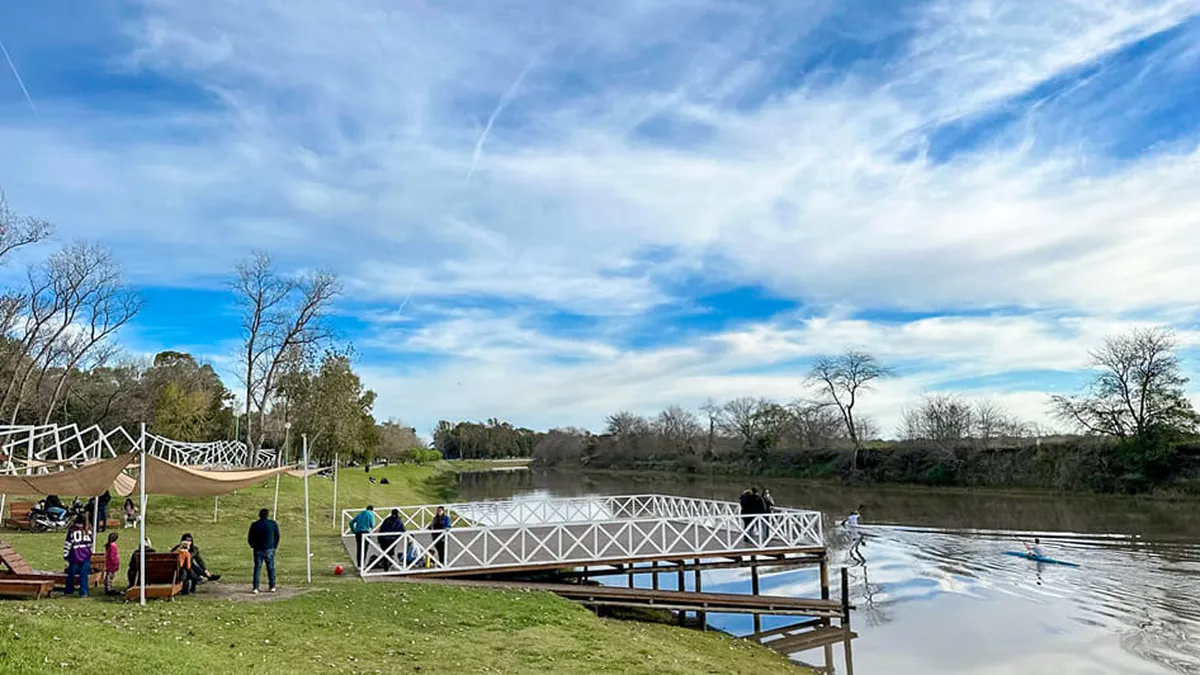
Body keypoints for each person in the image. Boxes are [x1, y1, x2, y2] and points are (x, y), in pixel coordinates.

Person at [247, 508, 280, 594]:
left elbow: (250, 537)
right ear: (267, 515)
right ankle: (272, 586)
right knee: (270, 567)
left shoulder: (255, 525)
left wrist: (253, 545)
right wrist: (274, 546)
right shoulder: (272, 524)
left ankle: (255, 587)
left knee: (257, 568)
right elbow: (277, 536)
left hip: (258, 548)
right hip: (269, 548)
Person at [62, 515, 94, 597]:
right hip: (86, 556)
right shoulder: (89, 530)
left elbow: (68, 543)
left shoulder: (72, 530)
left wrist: (66, 555)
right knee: (84, 575)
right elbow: (91, 544)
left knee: (71, 574)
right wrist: (90, 553)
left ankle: (69, 590)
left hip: (74, 556)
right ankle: (84, 592)